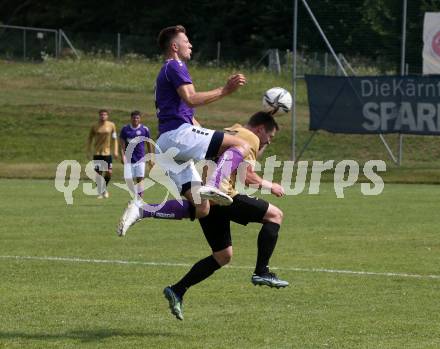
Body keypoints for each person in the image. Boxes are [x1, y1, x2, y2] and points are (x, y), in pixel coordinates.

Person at [152, 24, 250, 217]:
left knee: (202, 208)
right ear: (174, 47)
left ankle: (140, 210)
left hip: (166, 144)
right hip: (178, 135)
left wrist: (211, 141)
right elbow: (191, 97)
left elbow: (187, 113)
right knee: (242, 145)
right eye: (186, 41)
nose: (190, 45)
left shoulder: (165, 71)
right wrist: (225, 90)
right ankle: (214, 185)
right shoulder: (175, 64)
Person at [119, 111, 154, 199]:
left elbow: (148, 143)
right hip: (129, 159)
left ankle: (139, 198)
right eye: (134, 118)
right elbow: (122, 145)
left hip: (140, 158)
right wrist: (122, 156)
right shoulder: (125, 129)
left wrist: (151, 157)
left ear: (140, 119)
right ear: (131, 118)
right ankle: (134, 195)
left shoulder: (144, 129)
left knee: (140, 178)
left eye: (137, 118)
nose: (135, 119)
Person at [87, 109, 118, 199]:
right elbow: (89, 139)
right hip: (97, 153)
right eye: (101, 115)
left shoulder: (111, 125)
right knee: (98, 174)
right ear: (99, 116)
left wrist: (115, 151)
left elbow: (115, 139)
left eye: (105, 115)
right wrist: (88, 150)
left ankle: (103, 189)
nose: (103, 116)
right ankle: (101, 191)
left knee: (109, 172)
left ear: (107, 116)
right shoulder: (94, 126)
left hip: (107, 153)